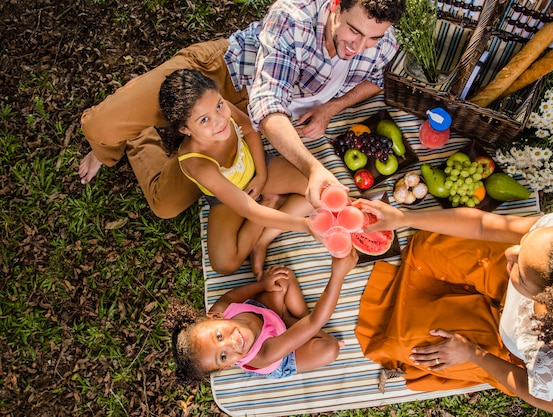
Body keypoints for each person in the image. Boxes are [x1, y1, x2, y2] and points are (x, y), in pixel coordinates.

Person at [78, 0, 406, 218]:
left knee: (166, 205)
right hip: (220, 76)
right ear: (337, 3)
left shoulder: (383, 42)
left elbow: (377, 79)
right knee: (100, 129)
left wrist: (331, 108)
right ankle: (107, 148)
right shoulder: (293, 15)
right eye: (354, 31)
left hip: (239, 121)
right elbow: (267, 102)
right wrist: (311, 168)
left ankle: (140, 135)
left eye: (372, 38)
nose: (358, 47)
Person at [353, 177, 553, 413]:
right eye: (523, 246)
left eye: (520, 268)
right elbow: (482, 226)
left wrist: (473, 353)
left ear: (546, 306)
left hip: (499, 340)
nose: (510, 252)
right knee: (426, 244)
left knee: (404, 342)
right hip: (507, 283)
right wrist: (405, 218)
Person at [159, 69, 312, 276]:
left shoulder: (224, 110)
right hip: (227, 199)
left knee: (314, 189)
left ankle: (262, 240)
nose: (220, 121)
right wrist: (306, 225)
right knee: (225, 264)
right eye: (204, 120)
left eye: (219, 105)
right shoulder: (197, 163)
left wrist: (262, 175)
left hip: (257, 168)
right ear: (185, 129)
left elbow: (249, 129)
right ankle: (269, 202)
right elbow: (246, 208)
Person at [164, 250, 358, 383]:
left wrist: (262, 285)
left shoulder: (221, 307)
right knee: (329, 348)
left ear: (215, 316)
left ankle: (297, 323)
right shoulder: (264, 355)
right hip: (284, 356)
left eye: (219, 337)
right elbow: (317, 320)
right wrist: (338, 274)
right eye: (223, 356)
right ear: (229, 365)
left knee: (281, 277)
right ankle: (298, 326)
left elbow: (232, 296)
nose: (232, 344)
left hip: (265, 313)